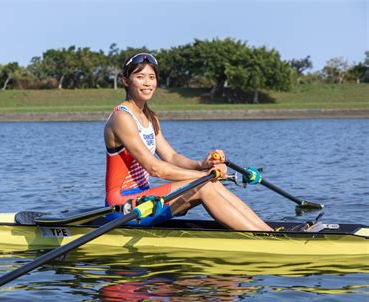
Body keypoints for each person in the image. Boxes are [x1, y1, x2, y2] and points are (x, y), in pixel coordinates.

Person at [104, 52, 272, 231]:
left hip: (145, 199)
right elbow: (155, 168)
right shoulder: (122, 118)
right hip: (122, 205)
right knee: (204, 186)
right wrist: (204, 176)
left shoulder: (150, 117)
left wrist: (201, 165)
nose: (147, 83)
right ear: (125, 81)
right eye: (140, 77)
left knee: (208, 183)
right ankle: (264, 239)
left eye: (151, 77)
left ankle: (266, 232)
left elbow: (172, 156)